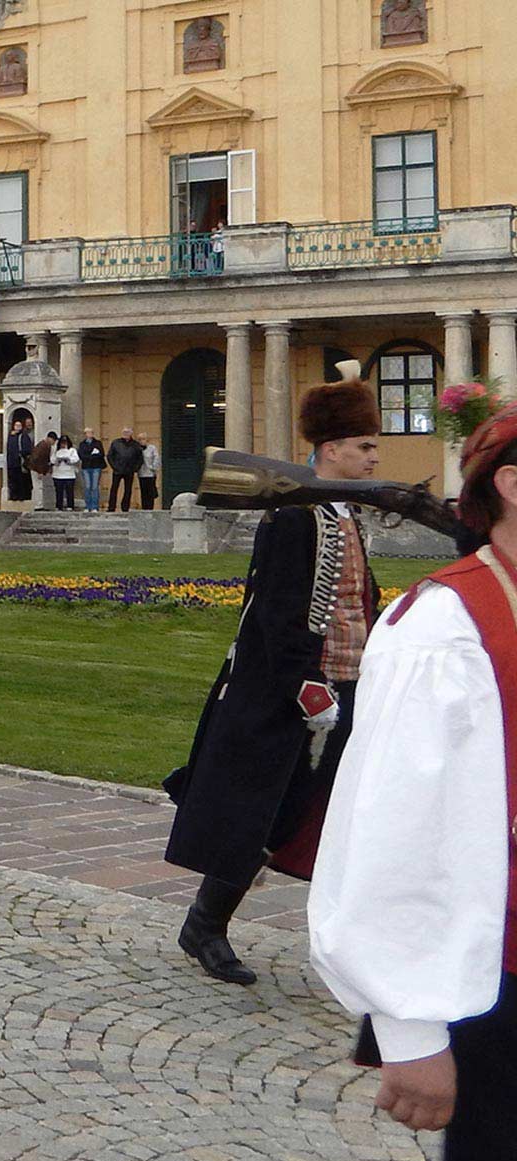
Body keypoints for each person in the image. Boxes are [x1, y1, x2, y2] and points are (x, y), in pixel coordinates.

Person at [308, 405, 517, 1161]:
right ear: (510, 483)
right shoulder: (446, 627)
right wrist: (409, 1026)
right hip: (499, 1000)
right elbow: (391, 837)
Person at [164, 367, 383, 986]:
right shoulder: (296, 514)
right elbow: (277, 613)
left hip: (346, 680)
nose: (372, 458)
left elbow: (352, 598)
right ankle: (205, 924)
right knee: (261, 813)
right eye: (364, 446)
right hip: (295, 695)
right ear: (333, 448)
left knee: (304, 816)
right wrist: (308, 690)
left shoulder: (343, 512)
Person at [106, 428, 142, 513]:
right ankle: (111, 507)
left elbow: (140, 458)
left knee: (128, 490)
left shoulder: (135, 444)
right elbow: (110, 456)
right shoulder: (116, 443)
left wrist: (135, 468)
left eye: (128, 432)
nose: (126, 434)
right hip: (117, 470)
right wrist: (114, 466)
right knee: (114, 489)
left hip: (129, 470)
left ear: (131, 434)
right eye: (124, 432)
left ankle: (125, 507)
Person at [4, 411, 35, 505]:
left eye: (19, 426)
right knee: (13, 480)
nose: (17, 427)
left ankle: (22, 496)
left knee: (22, 480)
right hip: (12, 462)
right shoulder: (10, 436)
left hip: (20, 462)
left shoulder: (24, 436)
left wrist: (23, 455)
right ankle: (14, 495)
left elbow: (27, 448)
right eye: (16, 425)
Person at [76, 430, 106, 513]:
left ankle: (95, 506)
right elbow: (81, 455)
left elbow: (101, 454)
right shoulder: (82, 444)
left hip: (96, 466)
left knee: (95, 487)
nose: (88, 434)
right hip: (86, 467)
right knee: (87, 486)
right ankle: (87, 506)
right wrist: (91, 455)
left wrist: (90, 456)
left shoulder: (98, 443)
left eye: (90, 433)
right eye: (87, 433)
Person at [51, 433, 80, 510]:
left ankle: (70, 506)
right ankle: (59, 506)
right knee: (59, 492)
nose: (63, 444)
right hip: (58, 474)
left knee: (69, 492)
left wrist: (69, 460)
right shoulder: (56, 450)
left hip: (69, 474)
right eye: (62, 442)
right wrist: (57, 460)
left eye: (65, 442)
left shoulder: (72, 450)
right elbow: (52, 459)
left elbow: (76, 459)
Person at [138, 437, 162, 511]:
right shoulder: (138, 449)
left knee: (151, 492)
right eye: (139, 439)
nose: (141, 441)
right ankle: (144, 508)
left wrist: (153, 467)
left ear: (147, 440)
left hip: (150, 473)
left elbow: (156, 458)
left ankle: (150, 508)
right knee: (143, 492)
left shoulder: (152, 448)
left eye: (143, 439)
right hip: (141, 473)